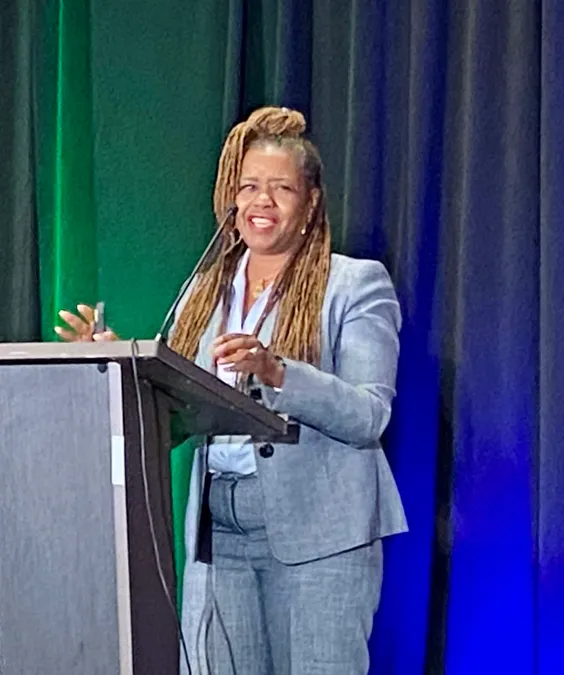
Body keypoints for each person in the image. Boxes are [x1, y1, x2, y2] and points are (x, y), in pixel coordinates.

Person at [56, 106, 406, 675]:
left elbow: (369, 414)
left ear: (310, 202)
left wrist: (278, 374)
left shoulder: (355, 283)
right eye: (248, 187)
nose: (260, 202)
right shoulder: (203, 290)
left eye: (280, 188)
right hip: (219, 531)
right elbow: (174, 397)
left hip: (320, 535)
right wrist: (115, 358)